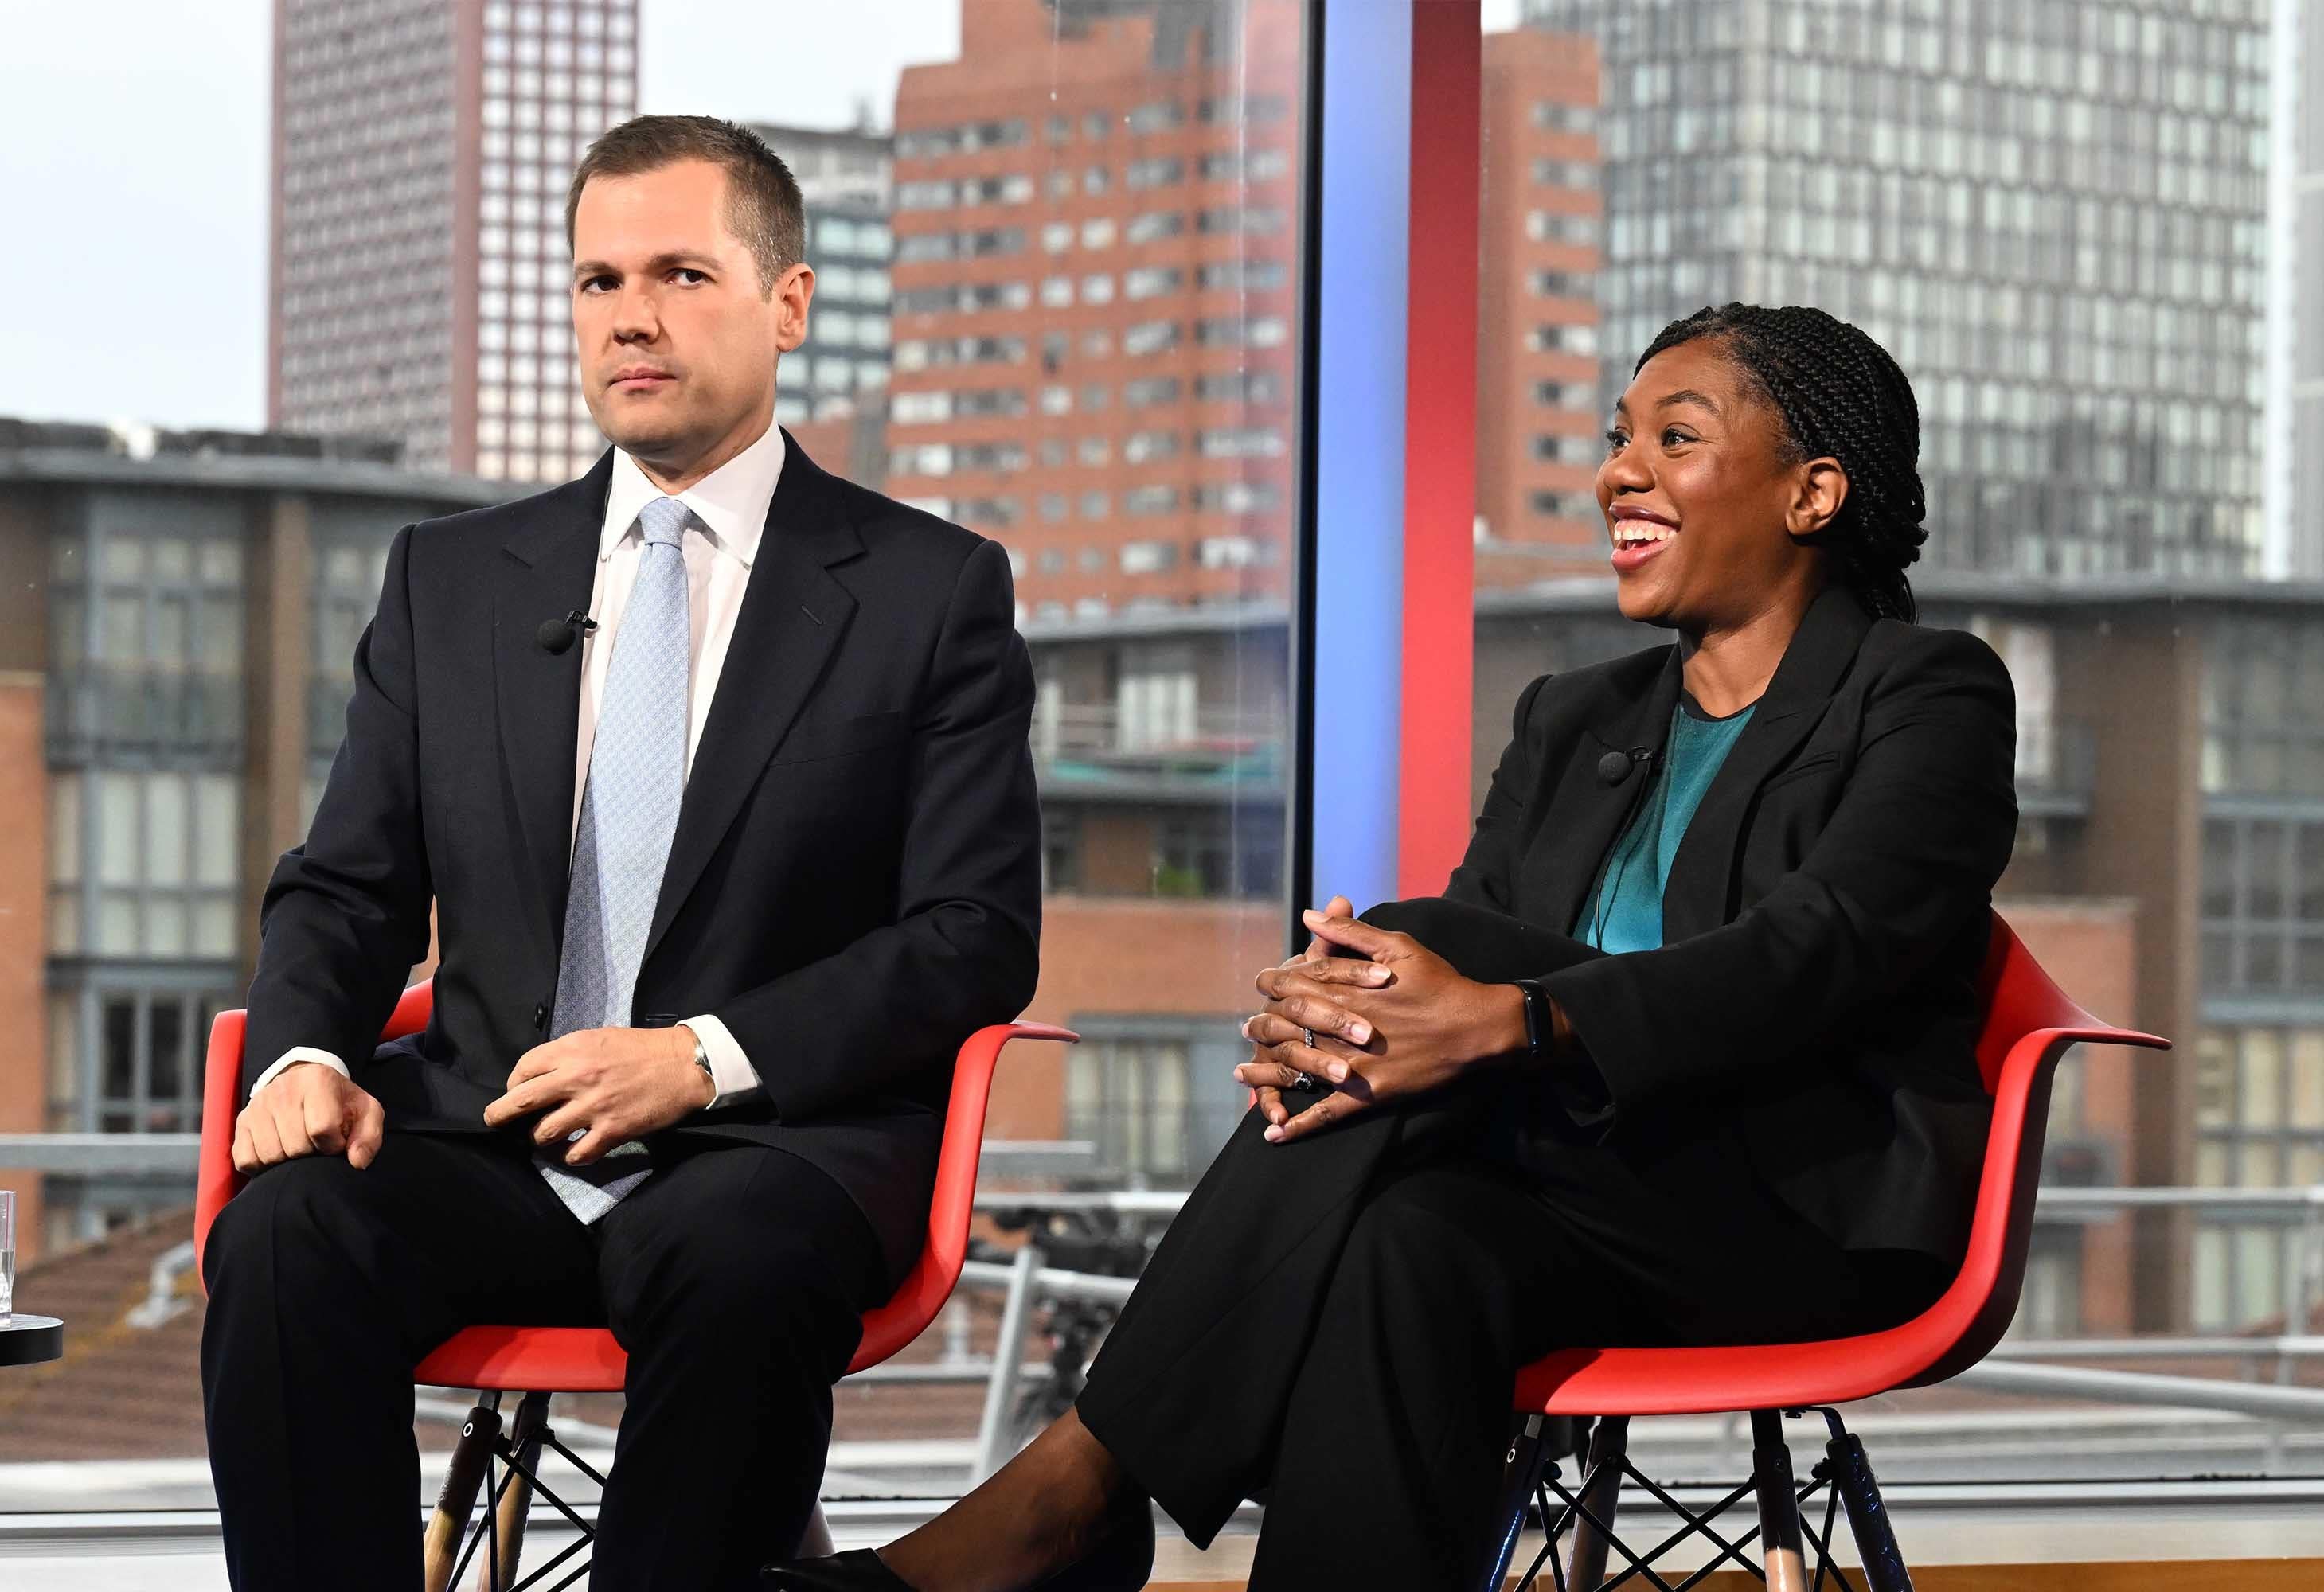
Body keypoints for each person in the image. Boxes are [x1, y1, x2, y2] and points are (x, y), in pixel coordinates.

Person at [767, 303, 2018, 1592]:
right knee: (1408, 1242)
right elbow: (1452, 978)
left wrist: (1510, 1022)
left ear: (1814, 492)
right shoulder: (1573, 715)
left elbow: (1830, 949)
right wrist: (1345, 1027)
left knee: (1415, 946)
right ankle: (1083, 1501)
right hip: (1577, 1196)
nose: (1617, 472)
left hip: (1796, 1217)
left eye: (1675, 437)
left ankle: (1078, 1486)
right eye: (1615, 437)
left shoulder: (1928, 692)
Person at [200, 115, 1041, 1590]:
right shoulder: (450, 582)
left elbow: (974, 931)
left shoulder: (930, 591)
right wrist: (301, 1060)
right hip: (486, 1137)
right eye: (597, 282)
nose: (629, 318)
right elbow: (348, 887)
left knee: (741, 1266)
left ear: (788, 304)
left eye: (678, 274)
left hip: (771, 1143)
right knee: (286, 1237)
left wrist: (701, 1055)